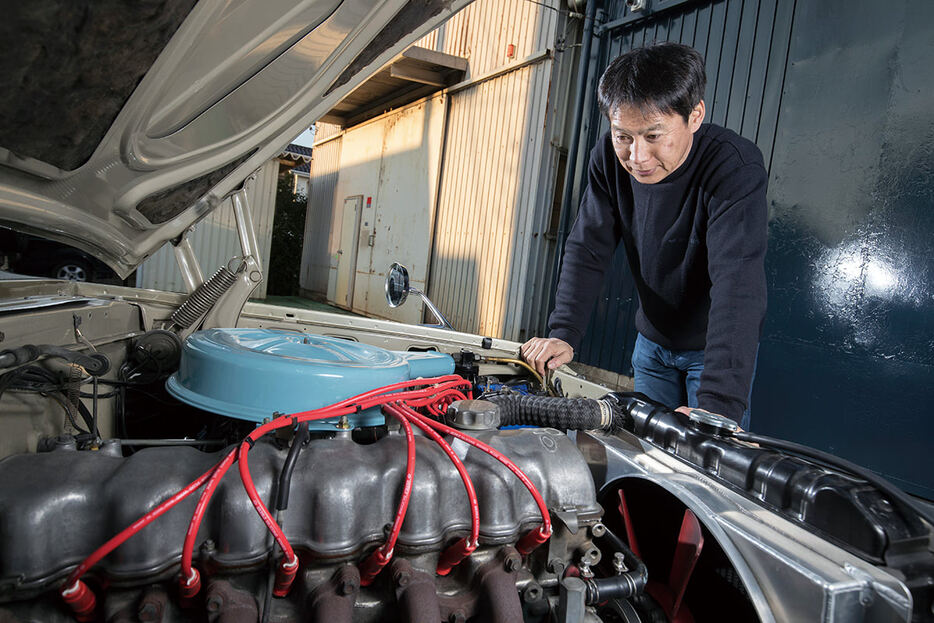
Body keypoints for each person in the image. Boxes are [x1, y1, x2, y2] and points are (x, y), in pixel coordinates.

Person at [521, 42, 767, 428]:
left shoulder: (733, 167)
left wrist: (718, 405)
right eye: (624, 136)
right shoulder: (607, 158)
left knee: (707, 469)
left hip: (711, 354)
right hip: (652, 347)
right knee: (646, 458)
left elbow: (738, 281)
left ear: (695, 115)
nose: (637, 157)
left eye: (654, 136)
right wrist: (563, 332)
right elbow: (588, 246)